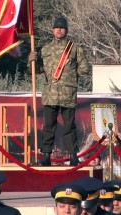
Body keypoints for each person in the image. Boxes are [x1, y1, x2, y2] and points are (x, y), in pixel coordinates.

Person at [28, 17, 91, 166]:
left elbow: (85, 68)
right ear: (52, 31)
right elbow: (37, 70)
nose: (59, 30)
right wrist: (31, 60)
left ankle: (73, 156)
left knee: (69, 127)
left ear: (66, 30)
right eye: (56, 28)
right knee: (49, 127)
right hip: (51, 95)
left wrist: (71, 74)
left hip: (67, 95)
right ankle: (46, 156)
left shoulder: (74, 48)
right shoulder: (45, 49)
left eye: (62, 28)